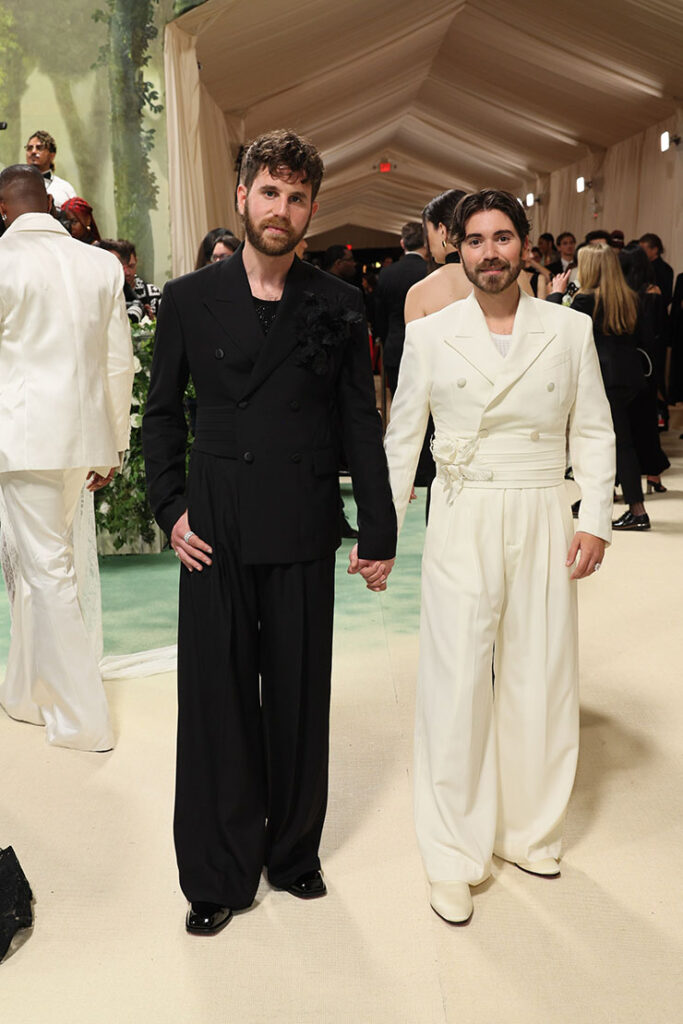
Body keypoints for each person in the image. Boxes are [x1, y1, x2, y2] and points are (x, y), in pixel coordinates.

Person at [142, 129, 397, 936]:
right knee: (216, 700)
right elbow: (158, 419)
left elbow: (361, 420)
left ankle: (292, 854)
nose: (280, 208)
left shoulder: (338, 300)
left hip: (299, 515)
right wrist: (170, 508)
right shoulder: (188, 298)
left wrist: (379, 528)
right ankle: (216, 874)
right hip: (211, 522)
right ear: (243, 197)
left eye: (295, 197)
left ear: (310, 210)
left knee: (295, 696)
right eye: (268, 192)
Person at [382, 188, 615, 925]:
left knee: (541, 671)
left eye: (503, 238)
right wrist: (381, 535)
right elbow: (401, 439)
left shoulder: (568, 329)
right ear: (456, 247)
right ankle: (452, 852)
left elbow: (595, 429)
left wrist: (597, 519)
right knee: (455, 681)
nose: (489, 252)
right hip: (463, 509)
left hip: (544, 506)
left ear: (525, 245)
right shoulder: (430, 332)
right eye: (475, 240)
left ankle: (527, 830)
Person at [0, 165, 134, 751]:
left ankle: (85, 722)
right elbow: (118, 362)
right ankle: (27, 693)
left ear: (4, 206)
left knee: (45, 570)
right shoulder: (99, 263)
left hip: (21, 441)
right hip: (79, 440)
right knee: (40, 568)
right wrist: (114, 442)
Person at [549, 244, 650, 530]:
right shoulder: (629, 298)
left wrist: (557, 293)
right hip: (629, 375)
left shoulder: (585, 301)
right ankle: (618, 501)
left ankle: (637, 511)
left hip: (603, 377)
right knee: (621, 441)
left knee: (611, 443)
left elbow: (555, 327)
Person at [374, 221, 428, 394]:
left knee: (400, 404)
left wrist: (384, 337)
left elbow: (379, 314)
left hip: (396, 345)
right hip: (426, 348)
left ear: (402, 243)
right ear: (426, 242)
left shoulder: (387, 273)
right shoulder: (430, 270)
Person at [98, 238, 162, 319]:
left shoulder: (153, 294)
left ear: (136, 261)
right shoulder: (98, 295)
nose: (127, 272)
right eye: (120, 267)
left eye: (131, 266)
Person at [24, 130, 76, 211]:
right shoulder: (15, 186)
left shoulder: (65, 189)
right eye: (29, 148)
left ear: (52, 155)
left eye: (39, 148)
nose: (33, 151)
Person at [638, 233, 673, 308]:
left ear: (655, 250)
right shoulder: (638, 266)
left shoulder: (665, 269)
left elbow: (667, 297)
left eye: (643, 250)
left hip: (655, 313)